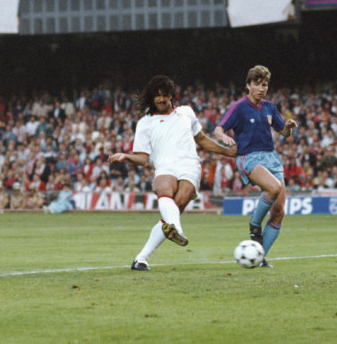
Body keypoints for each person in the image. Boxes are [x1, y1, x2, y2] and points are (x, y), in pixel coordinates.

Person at [109, 75, 236, 271]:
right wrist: (125, 156)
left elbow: (202, 139)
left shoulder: (186, 113)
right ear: (152, 97)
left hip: (190, 166)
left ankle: (143, 255)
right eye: (157, 96)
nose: (161, 99)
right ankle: (166, 238)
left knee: (174, 208)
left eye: (165, 95)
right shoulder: (145, 122)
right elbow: (142, 158)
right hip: (165, 166)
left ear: (171, 96)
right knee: (164, 190)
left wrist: (229, 153)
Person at [214, 65, 297, 268]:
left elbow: (283, 133)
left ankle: (259, 258)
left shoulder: (269, 107)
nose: (262, 88)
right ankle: (254, 224)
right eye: (257, 84)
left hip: (271, 158)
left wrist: (288, 128)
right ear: (248, 85)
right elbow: (217, 129)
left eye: (265, 84)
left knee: (278, 212)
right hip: (249, 157)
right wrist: (224, 137)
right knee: (274, 187)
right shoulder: (239, 107)